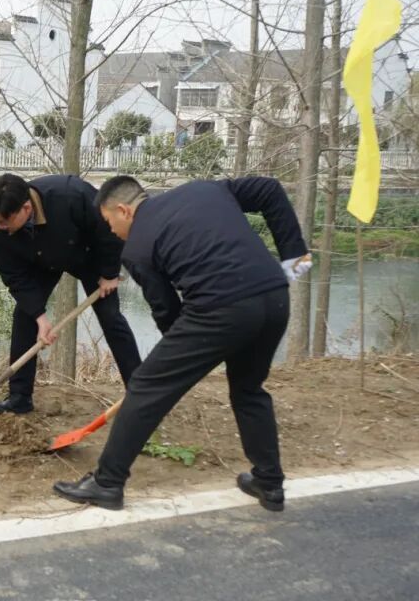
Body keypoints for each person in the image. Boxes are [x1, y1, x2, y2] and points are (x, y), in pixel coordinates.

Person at [53, 175, 312, 512]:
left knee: (145, 386)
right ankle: (269, 481)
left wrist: (178, 364)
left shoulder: (137, 248)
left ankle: (107, 483)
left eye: (108, 222)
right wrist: (293, 254)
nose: (111, 232)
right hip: (274, 298)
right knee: (248, 390)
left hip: (222, 308)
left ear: (123, 210)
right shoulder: (204, 189)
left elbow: (167, 312)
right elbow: (270, 189)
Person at [0, 173, 142, 414]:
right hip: (41, 261)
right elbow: (13, 275)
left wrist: (109, 273)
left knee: (110, 318)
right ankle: (19, 397)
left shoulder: (71, 195)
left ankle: (140, 393)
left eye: (5, 221)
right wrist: (39, 316)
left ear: (26, 208)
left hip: (88, 255)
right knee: (24, 317)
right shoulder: (0, 228)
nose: (0, 226)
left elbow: (108, 228)